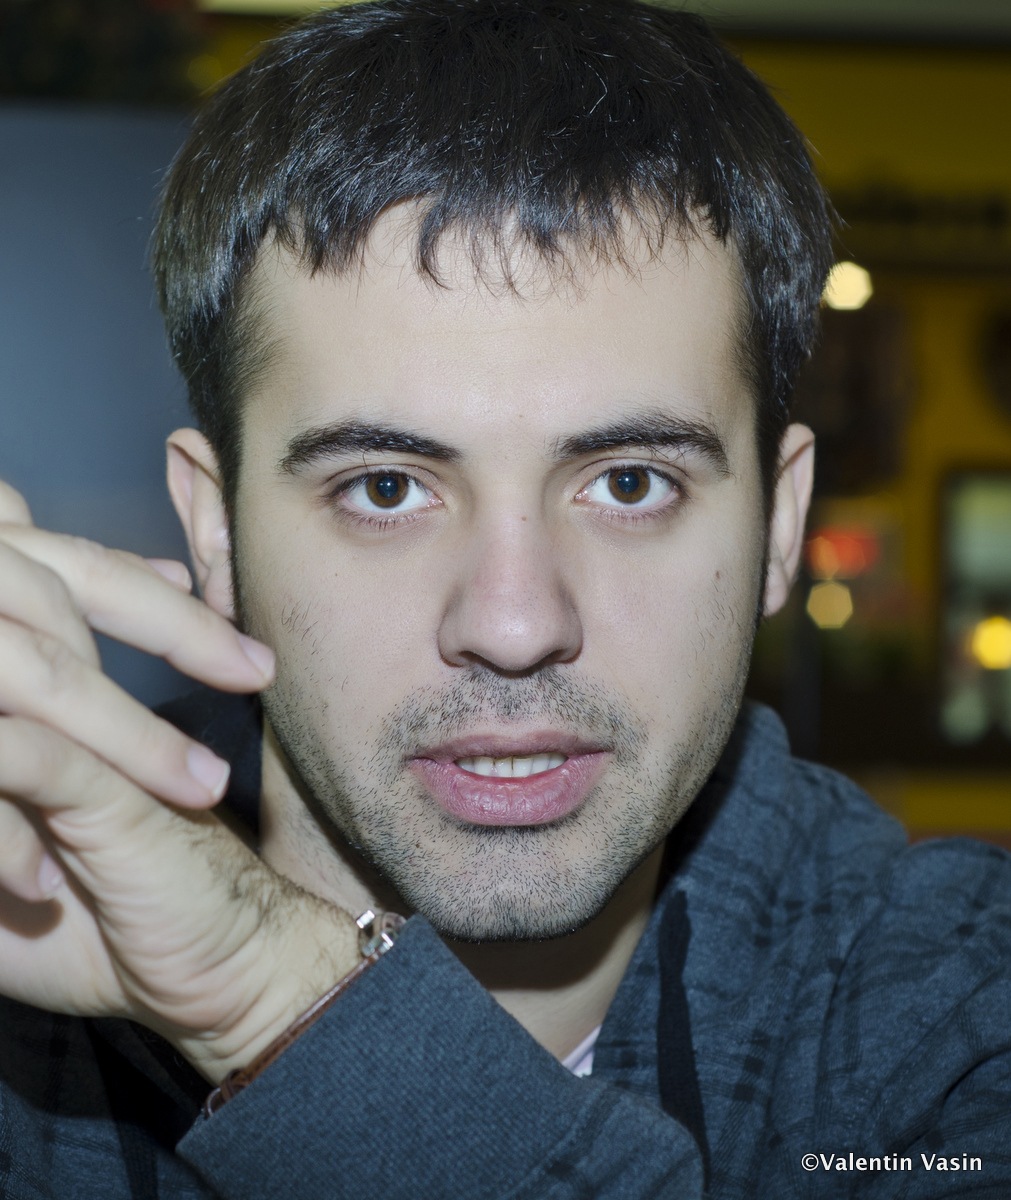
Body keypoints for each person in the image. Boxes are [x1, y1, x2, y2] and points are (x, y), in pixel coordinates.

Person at [1, 0, 1009, 1195]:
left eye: (629, 483)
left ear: (781, 524)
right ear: (215, 529)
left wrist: (266, 992)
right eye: (385, 488)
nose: (515, 624)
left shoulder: (961, 1012)